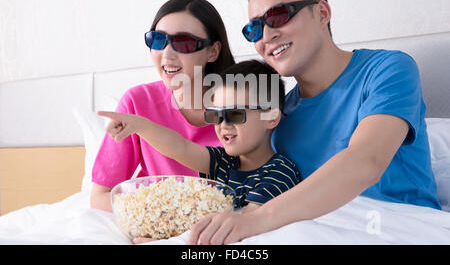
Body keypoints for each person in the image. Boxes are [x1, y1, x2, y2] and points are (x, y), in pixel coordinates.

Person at [188, 0, 441, 245]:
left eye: (279, 15)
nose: (267, 36)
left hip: (402, 229)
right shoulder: (278, 116)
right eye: (254, 28)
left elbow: (366, 161)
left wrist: (256, 221)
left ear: (322, 13)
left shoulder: (388, 69)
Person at [90, 0, 235, 212]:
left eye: (183, 43)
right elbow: (100, 196)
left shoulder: (243, 106)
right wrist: (159, 219)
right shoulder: (136, 103)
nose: (166, 54)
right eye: (158, 40)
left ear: (213, 52)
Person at [97, 59, 301, 213]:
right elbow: (179, 147)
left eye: (235, 114)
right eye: (217, 115)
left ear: (271, 117)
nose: (224, 125)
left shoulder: (280, 172)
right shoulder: (223, 162)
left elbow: (247, 222)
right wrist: (139, 125)